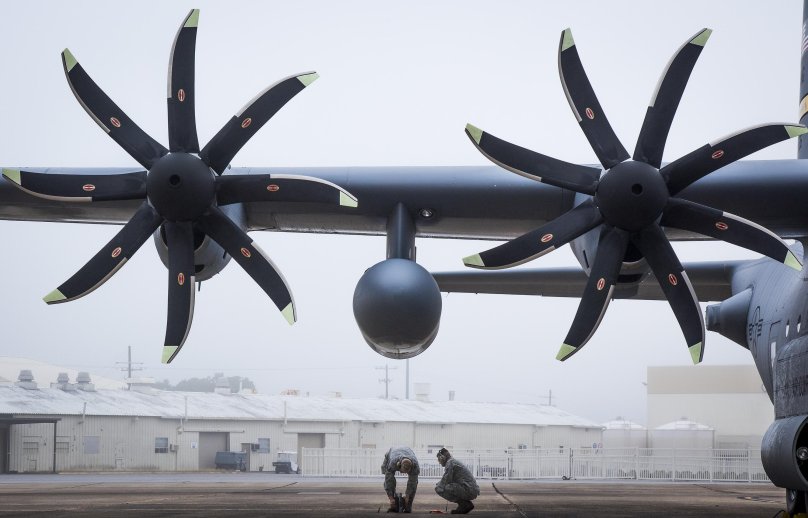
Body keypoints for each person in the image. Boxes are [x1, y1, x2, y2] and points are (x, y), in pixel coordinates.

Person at [434, 448, 480, 514]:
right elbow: (446, 479)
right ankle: (464, 504)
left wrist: (438, 486)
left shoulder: (450, 463)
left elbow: (446, 480)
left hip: (468, 489)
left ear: (442, 457)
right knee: (441, 486)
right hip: (470, 488)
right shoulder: (452, 461)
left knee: (439, 488)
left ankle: (464, 504)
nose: (439, 462)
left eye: (439, 459)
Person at [381, 446, 419, 513]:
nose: (404, 473)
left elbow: (412, 483)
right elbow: (388, 480)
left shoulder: (415, 466)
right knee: (387, 476)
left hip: (407, 451)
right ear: (399, 466)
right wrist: (391, 498)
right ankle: (393, 503)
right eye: (403, 471)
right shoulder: (393, 462)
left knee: (414, 483)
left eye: (406, 472)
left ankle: (408, 506)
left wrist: (407, 496)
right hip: (391, 452)